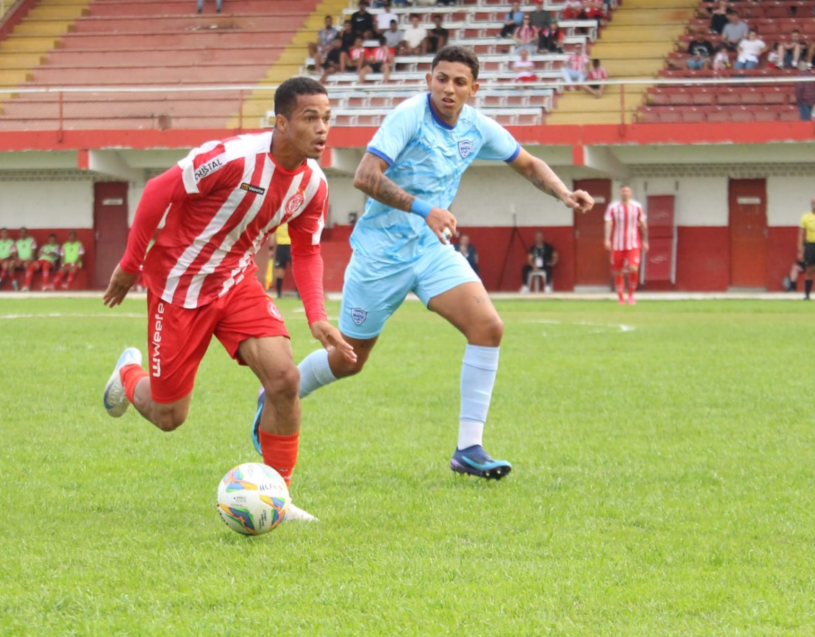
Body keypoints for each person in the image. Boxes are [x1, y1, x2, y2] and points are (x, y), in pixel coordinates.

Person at [251, 46, 594, 481]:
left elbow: (527, 163)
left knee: (488, 327)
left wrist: (564, 193)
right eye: (441, 79)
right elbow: (365, 176)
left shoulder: (476, 127)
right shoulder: (408, 117)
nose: (448, 89)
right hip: (380, 255)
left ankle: (469, 449)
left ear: (473, 89)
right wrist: (424, 208)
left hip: (430, 250)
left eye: (459, 82)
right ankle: (275, 393)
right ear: (429, 80)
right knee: (349, 360)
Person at [100, 77, 355, 522]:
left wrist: (317, 316)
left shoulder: (313, 184)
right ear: (281, 123)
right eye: (310, 117)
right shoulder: (234, 158)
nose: (322, 128)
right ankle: (127, 375)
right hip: (179, 285)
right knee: (168, 416)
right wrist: (129, 263)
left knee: (284, 379)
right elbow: (159, 190)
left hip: (236, 282)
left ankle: (278, 498)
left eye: (327, 118)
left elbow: (307, 250)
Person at [604, 185, 648, 305]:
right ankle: (620, 298)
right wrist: (607, 239)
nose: (625, 193)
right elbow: (608, 223)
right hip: (617, 244)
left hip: (633, 243)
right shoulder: (613, 207)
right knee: (619, 271)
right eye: (623, 191)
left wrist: (645, 240)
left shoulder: (637, 207)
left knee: (634, 268)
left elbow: (643, 224)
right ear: (620, 192)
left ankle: (631, 295)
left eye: (627, 191)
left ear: (630, 193)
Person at [798, 196, 815, 300]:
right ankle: (807, 295)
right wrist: (800, 250)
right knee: (809, 270)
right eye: (813, 203)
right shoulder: (805, 217)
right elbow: (801, 234)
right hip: (810, 245)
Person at [12, 227, 38, 291]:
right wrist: (17, 259)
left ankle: (27, 285)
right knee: (11, 265)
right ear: (19, 233)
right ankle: (15, 285)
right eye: (21, 232)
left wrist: (29, 258)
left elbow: (33, 251)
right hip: (20, 260)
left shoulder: (32, 240)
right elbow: (14, 253)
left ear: (27, 233)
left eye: (24, 232)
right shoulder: (17, 242)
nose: (22, 234)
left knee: (26, 265)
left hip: (30, 259)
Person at [271, 224, 292, 299]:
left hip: (291, 246)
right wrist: (271, 248)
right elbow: (272, 235)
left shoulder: (291, 222)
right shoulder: (278, 223)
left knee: (295, 270)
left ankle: (300, 293)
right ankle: (279, 294)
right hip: (280, 247)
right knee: (279, 273)